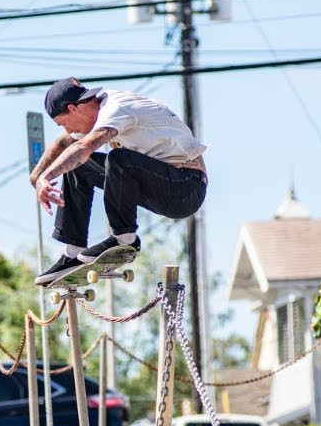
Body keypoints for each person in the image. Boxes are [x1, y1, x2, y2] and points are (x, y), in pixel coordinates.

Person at [30, 77, 209, 285]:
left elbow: (82, 148)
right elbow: (64, 143)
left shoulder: (115, 109)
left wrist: (47, 177)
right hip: (159, 184)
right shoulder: (94, 110)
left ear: (73, 108)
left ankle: (125, 240)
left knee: (118, 159)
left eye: (64, 124)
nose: (68, 131)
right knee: (78, 166)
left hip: (185, 188)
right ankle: (73, 253)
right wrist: (36, 178)